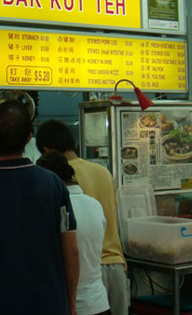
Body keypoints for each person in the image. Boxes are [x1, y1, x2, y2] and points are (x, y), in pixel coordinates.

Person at [0, 101, 79, 315]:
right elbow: (71, 249)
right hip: (50, 303)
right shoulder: (54, 183)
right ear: (29, 138)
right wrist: (71, 304)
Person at [36, 119, 128, 315]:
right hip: (117, 266)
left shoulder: (58, 176)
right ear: (74, 144)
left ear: (46, 150)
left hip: (87, 271)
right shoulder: (103, 172)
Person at [38, 151, 110, 315]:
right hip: (98, 302)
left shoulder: (54, 209)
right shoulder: (94, 205)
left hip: (69, 305)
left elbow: (71, 253)